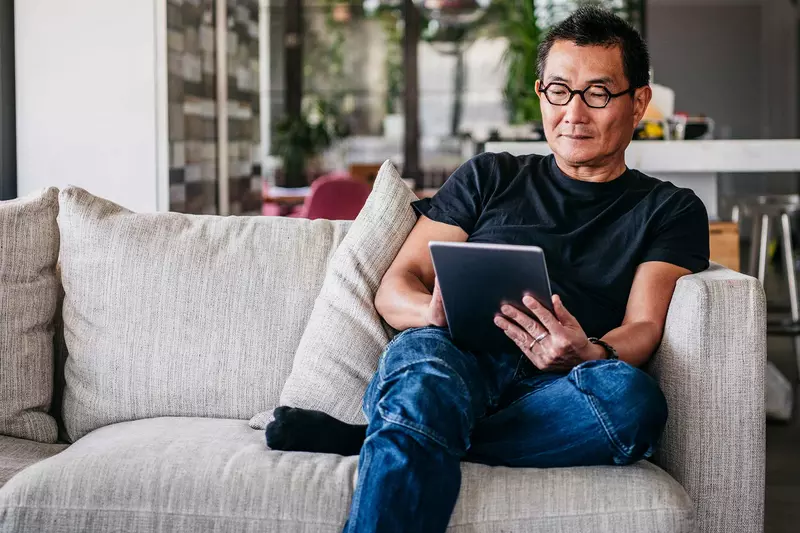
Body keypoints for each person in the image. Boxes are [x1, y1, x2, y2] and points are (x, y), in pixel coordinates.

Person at [266, 6, 710, 533]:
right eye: (559, 91)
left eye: (597, 93)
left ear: (638, 103)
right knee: (425, 374)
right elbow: (396, 286)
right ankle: (418, 419)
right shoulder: (490, 177)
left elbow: (642, 327)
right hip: (452, 359)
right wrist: (429, 315)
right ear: (541, 92)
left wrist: (589, 351)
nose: (574, 113)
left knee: (633, 403)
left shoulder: (669, 208)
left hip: (559, 383)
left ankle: (387, 434)